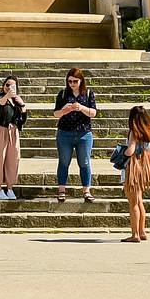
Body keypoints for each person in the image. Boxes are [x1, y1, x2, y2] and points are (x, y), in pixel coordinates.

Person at [119, 106, 150, 242]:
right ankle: (142, 231)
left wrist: (121, 153)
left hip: (134, 169)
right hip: (144, 169)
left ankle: (135, 235)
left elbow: (130, 151)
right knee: (139, 201)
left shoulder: (134, 132)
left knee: (133, 202)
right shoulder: (148, 132)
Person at [52, 67, 99, 203]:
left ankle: (86, 190)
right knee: (64, 161)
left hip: (84, 134)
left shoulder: (88, 94)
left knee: (84, 162)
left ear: (81, 81)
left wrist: (81, 108)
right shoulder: (62, 94)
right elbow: (55, 113)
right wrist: (64, 110)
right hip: (64, 133)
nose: (72, 84)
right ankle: (61, 190)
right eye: (69, 81)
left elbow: (94, 112)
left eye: (75, 81)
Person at [0, 75, 27, 201]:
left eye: (12, 85)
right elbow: (0, 104)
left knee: (13, 159)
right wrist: (7, 96)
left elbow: (22, 120)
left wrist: (23, 105)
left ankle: (10, 187)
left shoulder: (17, 100)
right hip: (0, 130)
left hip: (13, 131)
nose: (9, 87)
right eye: (7, 85)